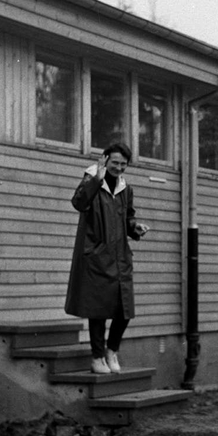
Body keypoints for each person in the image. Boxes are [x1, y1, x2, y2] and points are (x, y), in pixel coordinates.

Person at [65, 142, 149, 374]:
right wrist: (96, 179)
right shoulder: (92, 179)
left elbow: (127, 218)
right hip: (97, 256)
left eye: (123, 164)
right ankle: (97, 357)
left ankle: (112, 350)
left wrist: (135, 227)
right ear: (104, 160)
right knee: (99, 310)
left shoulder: (125, 189)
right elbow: (79, 203)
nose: (119, 168)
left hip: (120, 255)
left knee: (125, 308)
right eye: (115, 163)